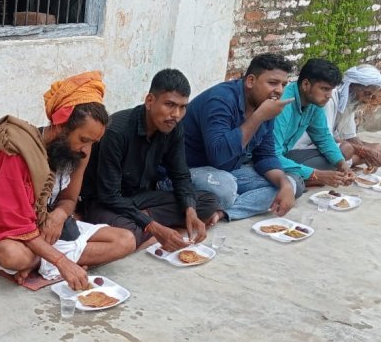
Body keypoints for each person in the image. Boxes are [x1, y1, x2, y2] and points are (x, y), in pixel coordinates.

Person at [0, 71, 136, 291]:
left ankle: (37, 265)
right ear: (60, 125)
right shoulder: (16, 152)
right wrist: (62, 262)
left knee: (126, 240)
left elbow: (69, 199)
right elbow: (11, 223)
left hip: (49, 231)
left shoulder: (79, 153)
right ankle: (48, 263)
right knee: (10, 255)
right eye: (84, 140)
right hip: (13, 234)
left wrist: (58, 216)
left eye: (93, 143)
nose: (86, 150)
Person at [80, 69, 221, 251]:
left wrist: (190, 210)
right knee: (127, 234)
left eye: (182, 107)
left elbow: (180, 175)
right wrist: (152, 225)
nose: (176, 114)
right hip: (106, 203)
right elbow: (109, 196)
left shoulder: (173, 128)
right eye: (169, 104)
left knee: (208, 201)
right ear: (150, 101)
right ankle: (146, 227)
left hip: (142, 199)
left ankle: (143, 224)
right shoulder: (117, 130)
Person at [184, 53, 302, 221]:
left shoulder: (266, 104)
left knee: (291, 183)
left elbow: (265, 155)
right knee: (226, 189)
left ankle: (224, 212)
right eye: (272, 83)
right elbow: (218, 155)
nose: (279, 91)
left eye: (283, 84)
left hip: (229, 171)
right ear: (250, 81)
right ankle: (236, 200)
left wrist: (284, 185)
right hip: (190, 170)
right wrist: (259, 116)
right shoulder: (220, 100)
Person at [273, 58, 356, 187]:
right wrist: (316, 174)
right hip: (268, 158)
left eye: (331, 90)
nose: (329, 95)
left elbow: (323, 138)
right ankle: (298, 180)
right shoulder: (284, 104)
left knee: (337, 158)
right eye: (324, 89)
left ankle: (299, 178)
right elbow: (271, 155)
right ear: (306, 84)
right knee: (296, 186)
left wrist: (342, 165)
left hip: (286, 155)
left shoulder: (314, 104)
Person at [292, 63, 381, 170]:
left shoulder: (349, 102)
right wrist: (363, 151)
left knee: (377, 147)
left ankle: (348, 162)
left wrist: (369, 152)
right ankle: (348, 163)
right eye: (366, 93)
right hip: (304, 148)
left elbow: (350, 137)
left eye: (371, 95)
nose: (367, 99)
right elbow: (326, 139)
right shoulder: (327, 98)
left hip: (323, 147)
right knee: (347, 149)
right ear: (351, 85)